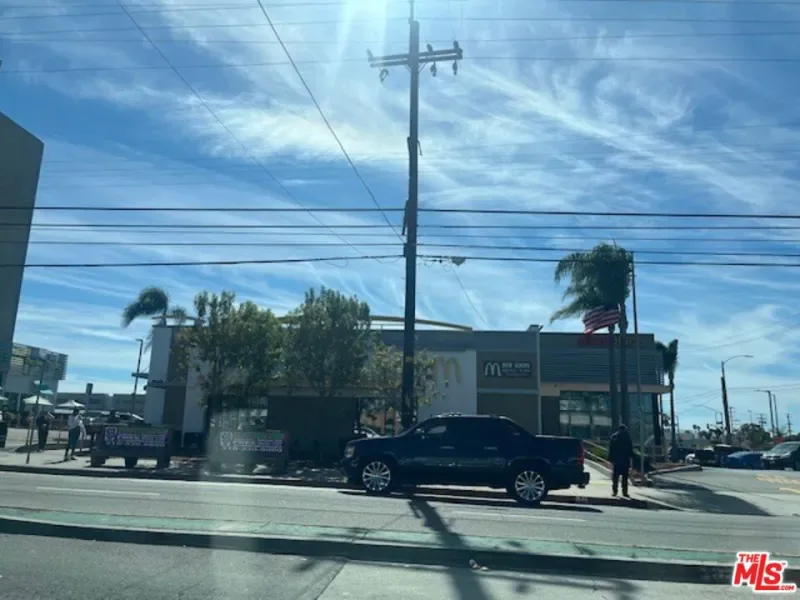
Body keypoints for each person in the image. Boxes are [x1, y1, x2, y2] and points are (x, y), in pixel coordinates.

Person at [608, 424, 634, 498]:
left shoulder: (614, 436)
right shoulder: (627, 437)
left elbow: (611, 449)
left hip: (617, 460)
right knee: (625, 478)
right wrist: (631, 458)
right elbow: (630, 449)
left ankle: (615, 491)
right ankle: (625, 492)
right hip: (625, 460)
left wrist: (610, 459)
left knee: (615, 477)